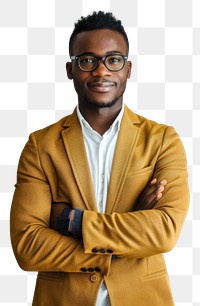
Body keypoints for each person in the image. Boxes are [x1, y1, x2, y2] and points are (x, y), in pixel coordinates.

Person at [10, 11, 189, 306]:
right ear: (70, 69)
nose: (101, 71)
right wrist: (129, 233)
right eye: (87, 60)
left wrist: (71, 220)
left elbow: (165, 231)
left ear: (128, 69)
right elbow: (27, 247)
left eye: (113, 59)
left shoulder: (162, 140)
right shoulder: (41, 146)